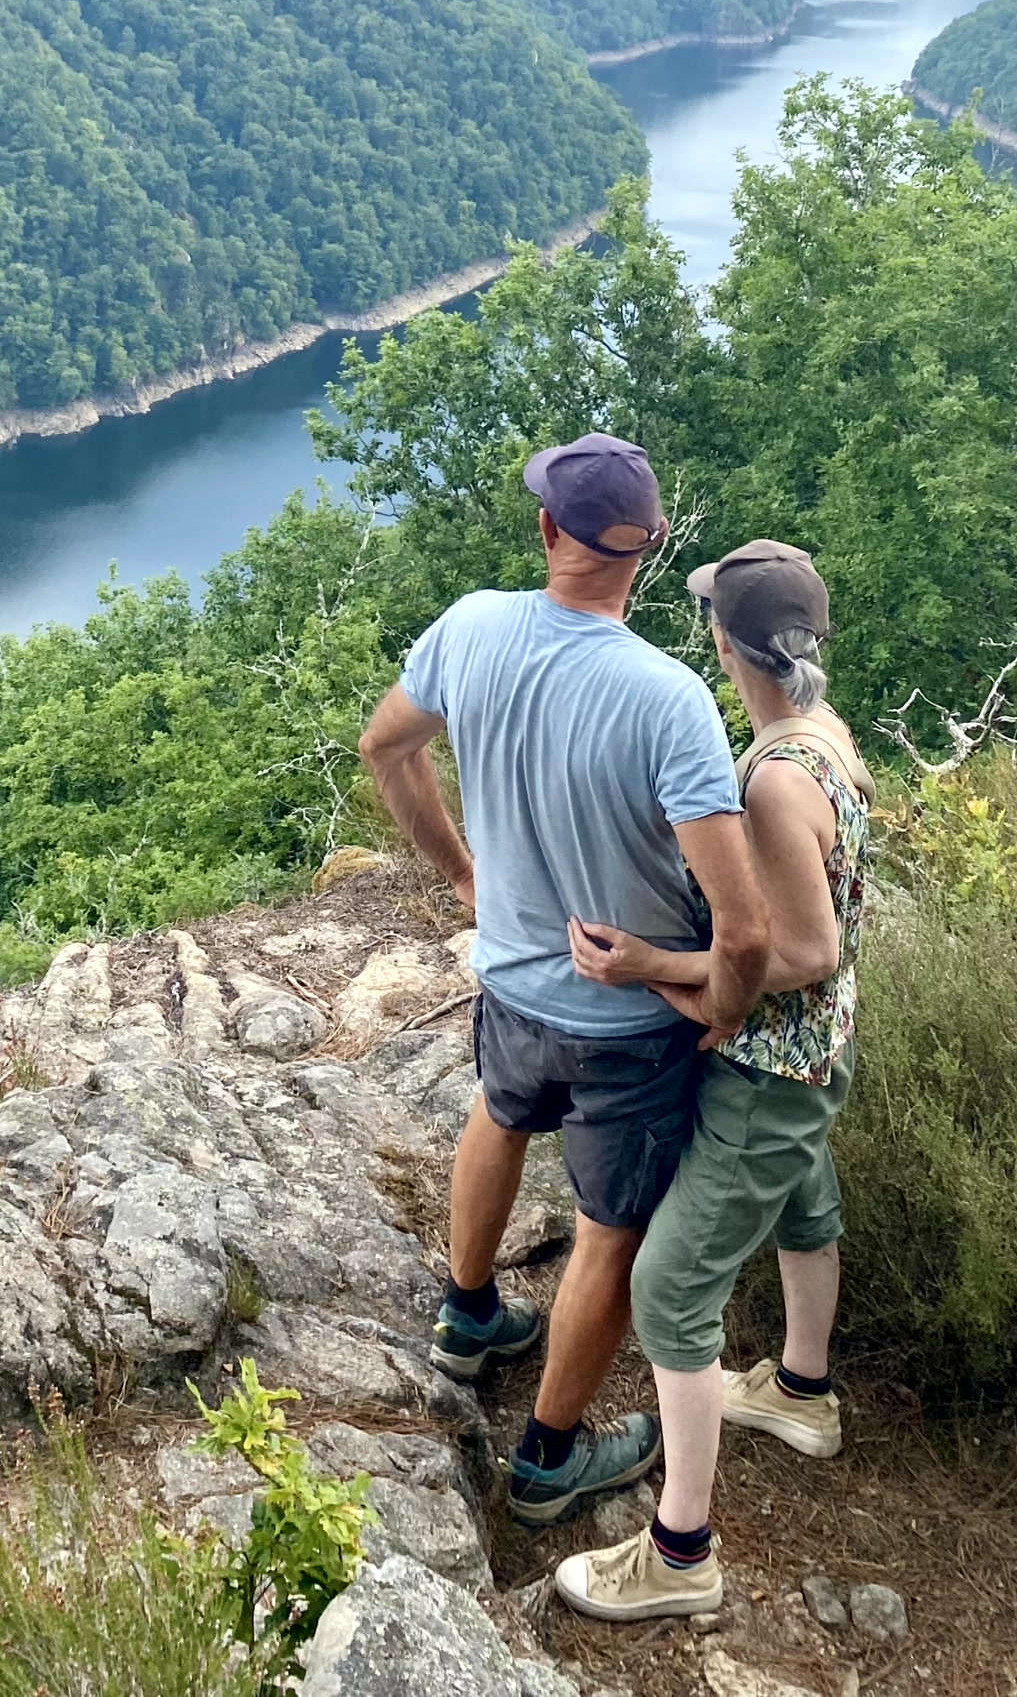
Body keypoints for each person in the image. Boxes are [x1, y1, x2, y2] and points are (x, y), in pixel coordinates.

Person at [358, 434, 771, 1527]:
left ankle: (466, 1315)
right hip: (626, 1023)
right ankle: (546, 1457)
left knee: (497, 1111)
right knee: (605, 1226)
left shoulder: (471, 626)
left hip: (510, 982)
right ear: (649, 548)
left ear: (547, 530)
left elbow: (383, 746)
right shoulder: (666, 697)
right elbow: (742, 926)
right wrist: (717, 1009)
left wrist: (461, 873)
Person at [550, 539, 874, 1623]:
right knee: (803, 1201)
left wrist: (650, 965)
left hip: (769, 1060)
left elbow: (798, 950)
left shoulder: (776, 778)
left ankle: (680, 1549)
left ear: (723, 644)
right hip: (816, 1053)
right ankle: (798, 1390)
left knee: (668, 1292)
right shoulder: (823, 736)